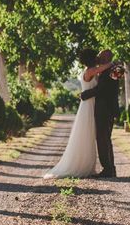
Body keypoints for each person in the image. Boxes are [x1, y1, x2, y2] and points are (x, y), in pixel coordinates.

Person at [43, 49, 113, 179]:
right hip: (89, 106)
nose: (98, 57)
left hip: (91, 104)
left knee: (92, 137)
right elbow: (106, 66)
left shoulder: (91, 69)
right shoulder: (90, 71)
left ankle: (94, 166)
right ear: (92, 59)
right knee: (87, 136)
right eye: (96, 56)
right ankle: (83, 166)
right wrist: (113, 63)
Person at [80, 49, 120, 178]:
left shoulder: (113, 70)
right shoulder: (107, 69)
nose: (99, 58)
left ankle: (108, 169)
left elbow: (104, 89)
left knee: (103, 139)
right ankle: (110, 168)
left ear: (107, 58)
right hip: (104, 108)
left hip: (106, 109)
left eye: (102, 56)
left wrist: (85, 94)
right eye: (98, 56)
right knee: (105, 139)